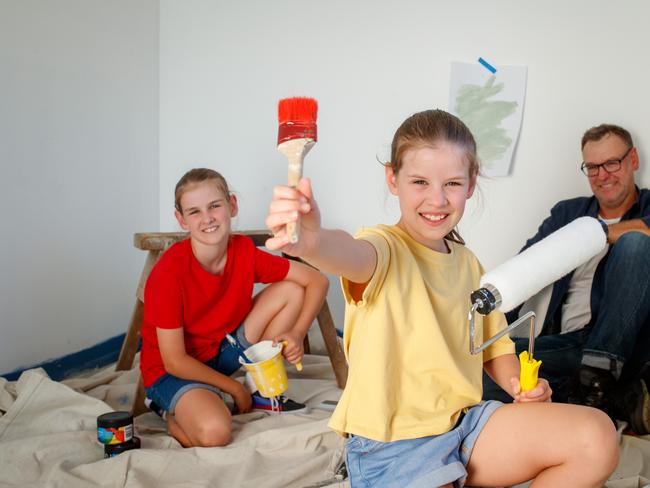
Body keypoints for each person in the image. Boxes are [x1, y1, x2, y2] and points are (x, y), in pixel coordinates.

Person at [265, 110, 618, 487]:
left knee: (596, 437)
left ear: (470, 184)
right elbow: (348, 253)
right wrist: (313, 242)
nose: (436, 199)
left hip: (464, 425)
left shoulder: (467, 263)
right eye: (419, 181)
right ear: (393, 179)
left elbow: (494, 349)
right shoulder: (382, 248)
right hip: (395, 445)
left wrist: (519, 385)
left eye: (451, 183)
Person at [139, 168, 329, 448]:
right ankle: (168, 411)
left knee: (291, 289)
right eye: (194, 211)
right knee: (215, 432)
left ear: (232, 205)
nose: (208, 218)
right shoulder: (168, 274)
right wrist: (234, 389)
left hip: (222, 350)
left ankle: (261, 391)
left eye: (215, 205)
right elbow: (174, 361)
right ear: (181, 220)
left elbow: (317, 280)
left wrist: (298, 333)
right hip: (173, 372)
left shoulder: (242, 251)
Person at [483, 124, 650, 434]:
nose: (603, 175)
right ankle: (599, 393)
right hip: (568, 343)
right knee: (480, 371)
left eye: (612, 163)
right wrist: (487, 331)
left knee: (636, 244)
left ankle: (598, 379)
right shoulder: (567, 214)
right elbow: (525, 269)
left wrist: (591, 235)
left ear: (633, 160)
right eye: (593, 167)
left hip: (624, 346)